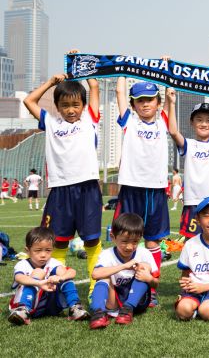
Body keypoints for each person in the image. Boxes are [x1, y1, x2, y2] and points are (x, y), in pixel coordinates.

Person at [23, 71, 103, 295]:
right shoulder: (50, 122)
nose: (71, 110)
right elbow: (29, 101)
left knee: (91, 241)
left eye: (76, 105)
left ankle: (96, 288)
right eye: (65, 105)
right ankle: (56, 290)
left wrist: (81, 67)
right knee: (58, 242)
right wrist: (50, 83)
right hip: (60, 190)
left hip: (87, 188)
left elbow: (94, 86)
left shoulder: (90, 119)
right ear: (57, 106)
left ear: (83, 105)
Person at [114, 78, 171, 306]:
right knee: (127, 238)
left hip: (155, 189)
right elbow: (119, 92)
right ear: (133, 105)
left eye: (150, 99)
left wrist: (166, 72)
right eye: (140, 100)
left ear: (158, 103)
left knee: (152, 241)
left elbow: (170, 93)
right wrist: (122, 70)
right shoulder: (129, 121)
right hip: (131, 187)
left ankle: (151, 287)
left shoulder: (163, 122)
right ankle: (123, 283)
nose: (145, 104)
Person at [166, 91, 209, 238]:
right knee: (191, 243)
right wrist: (171, 103)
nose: (204, 124)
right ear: (192, 122)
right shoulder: (188, 144)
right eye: (199, 120)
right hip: (193, 201)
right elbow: (173, 131)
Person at [89, 213, 159, 329]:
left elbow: (156, 283)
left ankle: (127, 309)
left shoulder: (144, 253)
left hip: (137, 302)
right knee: (103, 275)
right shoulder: (107, 254)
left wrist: (149, 278)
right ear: (113, 237)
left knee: (144, 267)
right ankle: (98, 313)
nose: (130, 247)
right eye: (125, 241)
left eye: (135, 242)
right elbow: (95, 274)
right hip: (114, 301)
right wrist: (124, 266)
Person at [8, 227, 89, 325]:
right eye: (38, 250)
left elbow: (72, 272)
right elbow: (19, 278)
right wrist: (38, 283)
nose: (43, 255)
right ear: (27, 250)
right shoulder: (22, 264)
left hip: (49, 306)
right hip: (27, 304)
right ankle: (23, 309)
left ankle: (75, 307)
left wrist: (60, 278)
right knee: (38, 272)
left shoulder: (52, 262)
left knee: (64, 274)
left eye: (48, 250)